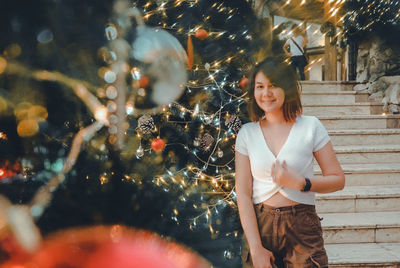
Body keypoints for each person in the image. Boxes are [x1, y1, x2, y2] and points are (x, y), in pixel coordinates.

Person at [235, 56, 345, 268]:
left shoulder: (311, 126)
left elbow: (338, 179)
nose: (266, 93)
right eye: (260, 86)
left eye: (273, 86)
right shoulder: (247, 133)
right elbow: (244, 194)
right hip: (261, 225)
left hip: (302, 226)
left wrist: (302, 183)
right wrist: (256, 248)